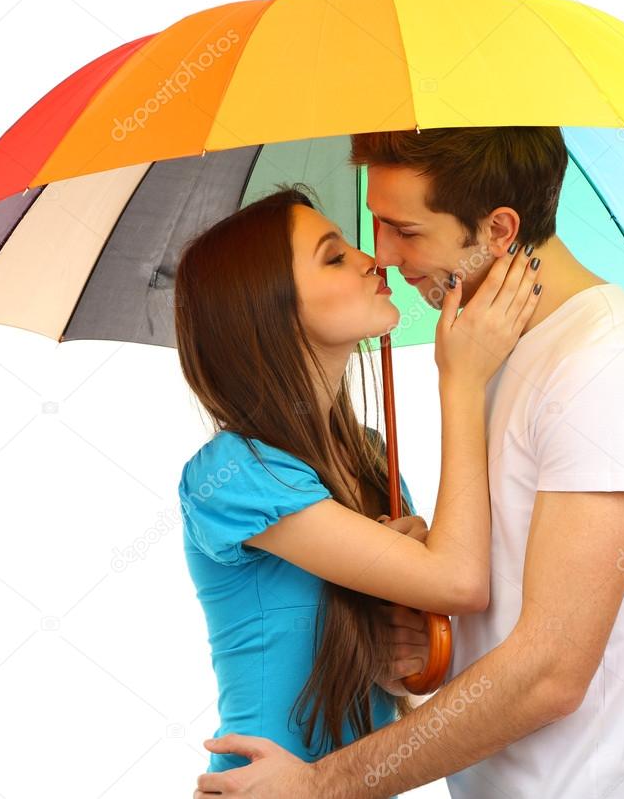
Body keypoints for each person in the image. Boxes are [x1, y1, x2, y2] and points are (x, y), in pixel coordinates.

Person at [194, 126, 624, 799]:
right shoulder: (490, 349)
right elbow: (486, 600)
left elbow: (550, 667)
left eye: (404, 229)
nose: (380, 254)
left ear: (498, 230)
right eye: (372, 225)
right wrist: (409, 630)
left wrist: (325, 783)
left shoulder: (601, 368)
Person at [173, 184, 544, 786]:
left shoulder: (371, 455)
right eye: (334, 255)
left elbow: (426, 637)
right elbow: (460, 580)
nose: (374, 258)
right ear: (268, 307)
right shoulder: (234, 474)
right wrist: (462, 381)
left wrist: (411, 655)